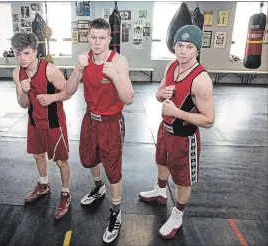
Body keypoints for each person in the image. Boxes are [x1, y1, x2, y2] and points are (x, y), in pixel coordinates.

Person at [139, 25, 215, 239]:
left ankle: (178, 213)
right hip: (165, 130)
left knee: (182, 180)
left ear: (197, 50)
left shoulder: (201, 80)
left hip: (184, 137)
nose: (183, 51)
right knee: (161, 163)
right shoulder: (171, 66)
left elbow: (209, 120)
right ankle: (160, 191)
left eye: (189, 46)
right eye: (179, 45)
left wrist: (177, 112)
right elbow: (158, 95)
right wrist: (162, 93)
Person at [66, 18, 134, 243]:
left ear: (109, 39)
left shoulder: (119, 61)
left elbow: (129, 98)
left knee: (113, 168)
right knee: (88, 158)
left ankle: (116, 212)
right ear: (88, 37)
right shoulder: (84, 60)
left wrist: (114, 75)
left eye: (102, 38)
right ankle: (98, 188)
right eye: (93, 37)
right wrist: (77, 68)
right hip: (90, 119)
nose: (97, 43)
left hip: (111, 122)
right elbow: (68, 90)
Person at [11, 32, 72, 219]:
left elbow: (68, 91)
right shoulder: (17, 73)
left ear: (36, 52)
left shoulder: (50, 70)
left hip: (54, 122)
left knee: (61, 161)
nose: (22, 58)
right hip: (34, 122)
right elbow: (22, 104)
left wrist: (53, 97)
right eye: (18, 53)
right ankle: (44, 185)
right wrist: (23, 90)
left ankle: (65, 193)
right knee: (38, 156)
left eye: (27, 53)